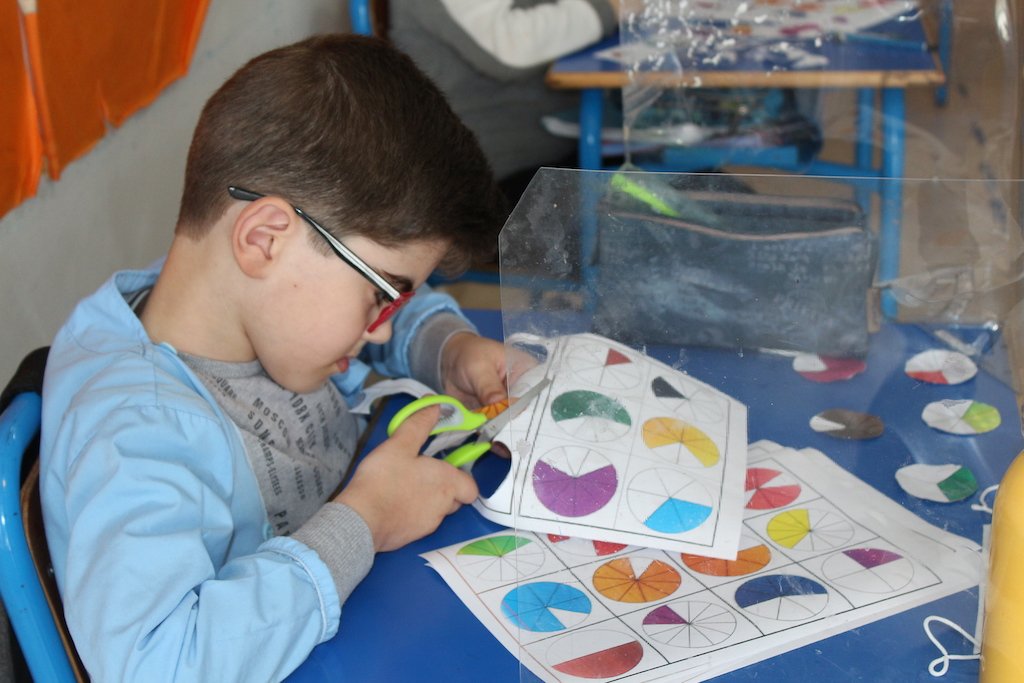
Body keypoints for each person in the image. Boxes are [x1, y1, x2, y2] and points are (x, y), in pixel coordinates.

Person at [39, 34, 512, 681]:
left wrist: (447, 348)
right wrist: (365, 522)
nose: (381, 330)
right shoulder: (134, 438)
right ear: (263, 238)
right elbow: (160, 664)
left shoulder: (239, 305)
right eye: (380, 297)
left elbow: (356, 294)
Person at [389, 0, 620, 205]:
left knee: (633, 185)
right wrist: (610, 8)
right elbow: (512, 46)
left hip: (570, 137)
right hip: (494, 171)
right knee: (630, 205)